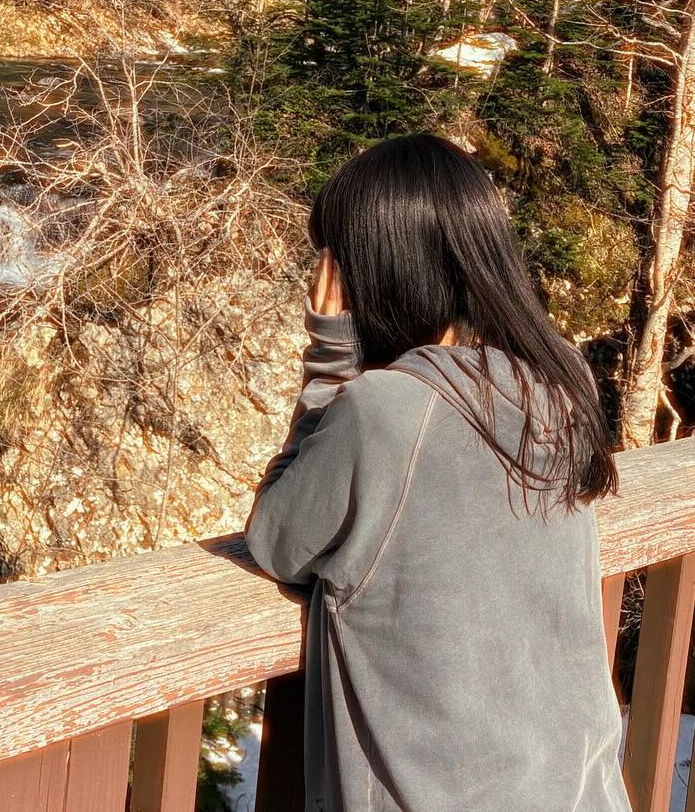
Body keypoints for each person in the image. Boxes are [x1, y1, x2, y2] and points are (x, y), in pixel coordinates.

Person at [244, 133, 631, 812]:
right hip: (581, 789)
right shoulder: (562, 381)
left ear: (374, 274)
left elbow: (278, 538)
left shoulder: (385, 410)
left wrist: (330, 360)